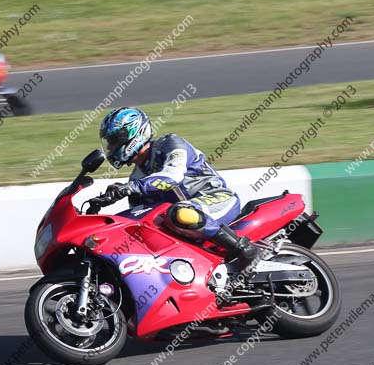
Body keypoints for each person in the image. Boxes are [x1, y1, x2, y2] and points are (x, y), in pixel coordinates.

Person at [98, 107, 261, 281]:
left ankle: (245, 250)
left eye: (114, 140)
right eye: (108, 142)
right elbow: (141, 216)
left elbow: (172, 176)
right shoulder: (137, 176)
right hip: (184, 218)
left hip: (217, 197)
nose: (110, 147)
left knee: (180, 213)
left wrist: (131, 187)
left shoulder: (170, 144)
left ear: (133, 134)